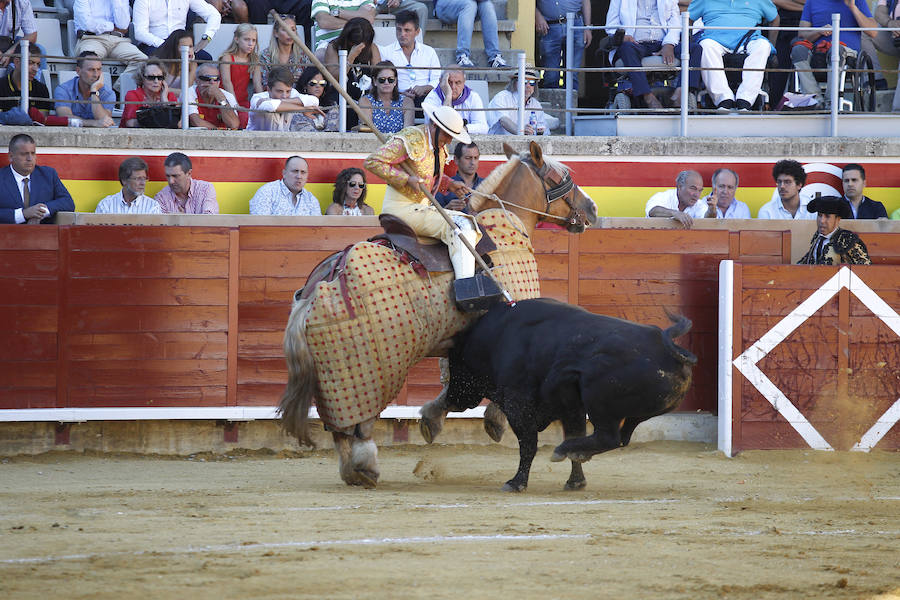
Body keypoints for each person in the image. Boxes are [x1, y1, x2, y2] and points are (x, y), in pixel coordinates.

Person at [364, 105, 481, 294]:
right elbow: (373, 161)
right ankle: (466, 292)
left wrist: (449, 183)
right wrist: (405, 179)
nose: (450, 140)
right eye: (447, 134)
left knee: (469, 223)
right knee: (463, 226)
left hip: (422, 207)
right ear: (434, 126)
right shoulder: (411, 138)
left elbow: (427, 176)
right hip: (401, 208)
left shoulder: (438, 146)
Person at [605, 0, 702, 108]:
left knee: (695, 49)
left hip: (661, 43)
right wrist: (623, 37)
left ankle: (680, 93)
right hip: (635, 43)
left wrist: (669, 44)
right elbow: (611, 26)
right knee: (626, 48)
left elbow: (675, 22)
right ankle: (647, 96)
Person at [689, 0, 779, 111]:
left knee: (763, 45)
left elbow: (774, 19)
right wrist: (689, 43)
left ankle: (745, 99)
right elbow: (688, 18)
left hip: (748, 41)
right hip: (715, 40)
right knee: (705, 45)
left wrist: (772, 46)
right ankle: (723, 99)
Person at [792, 0, 876, 108]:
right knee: (798, 50)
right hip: (818, 51)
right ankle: (814, 100)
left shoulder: (857, 1)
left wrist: (853, 7)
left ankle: (830, 102)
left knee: (836, 50)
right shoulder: (812, 2)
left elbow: (873, 32)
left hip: (846, 52)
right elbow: (802, 34)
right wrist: (818, 32)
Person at [0, 134, 74, 225]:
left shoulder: (48, 174)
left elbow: (68, 202)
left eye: (33, 153)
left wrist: (40, 212)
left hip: (43, 235)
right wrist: (23, 214)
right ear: (11, 156)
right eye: (24, 154)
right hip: (7, 236)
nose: (30, 159)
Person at [72, 0, 148, 90]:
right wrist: (113, 27)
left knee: (143, 61)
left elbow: (123, 25)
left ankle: (116, 93)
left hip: (118, 40)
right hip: (92, 39)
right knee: (89, 62)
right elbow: (87, 25)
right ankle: (93, 95)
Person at [378, 10, 441, 106]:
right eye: (399, 30)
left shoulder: (429, 52)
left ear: (417, 32)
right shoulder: (386, 52)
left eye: (407, 30)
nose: (402, 34)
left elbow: (437, 79)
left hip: (426, 98)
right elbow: (382, 80)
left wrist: (424, 88)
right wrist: (400, 93)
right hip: (396, 98)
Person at [132, 0, 220, 58]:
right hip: (154, 44)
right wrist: (169, 46)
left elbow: (213, 14)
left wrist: (207, 37)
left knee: (205, 58)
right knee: (160, 59)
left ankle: (192, 87)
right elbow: (140, 33)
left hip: (181, 44)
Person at [433, 0, 508, 68]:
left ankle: (494, 57)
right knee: (469, 4)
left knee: (487, 5)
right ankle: (462, 56)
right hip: (445, 6)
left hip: (471, 6)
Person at [797, 196, 871, 264]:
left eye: (827, 216)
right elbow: (806, 262)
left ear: (837, 219)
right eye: (819, 215)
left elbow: (865, 269)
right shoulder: (817, 237)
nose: (822, 221)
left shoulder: (846, 240)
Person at [487, 65, 559, 135]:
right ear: (515, 83)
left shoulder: (535, 104)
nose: (528, 86)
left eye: (532, 83)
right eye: (524, 81)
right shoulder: (502, 97)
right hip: (501, 143)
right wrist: (521, 131)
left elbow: (544, 130)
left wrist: (539, 131)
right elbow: (503, 120)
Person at [323, 17, 381, 103]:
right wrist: (351, 57)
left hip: (367, 98)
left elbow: (378, 75)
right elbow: (335, 79)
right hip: (341, 96)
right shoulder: (334, 47)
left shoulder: (372, 48)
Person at [536, 0, 592, 89]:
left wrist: (588, 27)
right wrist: (537, 15)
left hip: (576, 25)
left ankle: (570, 103)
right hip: (549, 26)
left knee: (572, 74)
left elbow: (585, 1)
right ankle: (552, 102)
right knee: (551, 75)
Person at [247, 65, 322, 131]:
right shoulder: (257, 98)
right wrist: (303, 109)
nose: (285, 95)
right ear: (269, 89)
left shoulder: (293, 93)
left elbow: (314, 100)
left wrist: (284, 101)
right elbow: (270, 106)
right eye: (279, 91)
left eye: (288, 91)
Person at [53, 52, 116, 128]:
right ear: (78, 71)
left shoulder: (107, 93)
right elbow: (65, 117)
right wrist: (93, 123)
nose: (96, 75)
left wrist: (94, 92)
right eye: (91, 70)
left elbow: (104, 121)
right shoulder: (63, 90)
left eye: (99, 69)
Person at [421, 68, 488, 134]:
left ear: (464, 83)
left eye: (458, 83)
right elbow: (439, 126)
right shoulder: (432, 98)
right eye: (449, 82)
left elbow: (483, 128)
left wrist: (463, 129)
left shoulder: (473, 97)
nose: (453, 87)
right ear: (441, 82)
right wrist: (448, 96)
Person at [249, 155, 322, 215]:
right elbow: (259, 227)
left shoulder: (311, 199)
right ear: (284, 173)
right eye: (295, 171)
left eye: (303, 172)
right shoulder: (267, 192)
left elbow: (317, 229)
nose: (299, 176)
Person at [120, 59, 178, 128]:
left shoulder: (169, 96)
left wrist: (164, 100)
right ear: (142, 79)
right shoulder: (133, 95)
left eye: (160, 77)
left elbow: (176, 122)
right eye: (151, 77)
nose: (156, 81)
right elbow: (130, 123)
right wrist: (158, 119)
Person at [154, 152, 219, 214]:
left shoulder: (205, 189)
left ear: (189, 173)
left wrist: (183, 219)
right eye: (168, 176)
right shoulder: (161, 197)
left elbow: (209, 221)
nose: (171, 181)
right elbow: (161, 225)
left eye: (175, 176)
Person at [645, 169, 714, 228]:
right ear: (680, 187)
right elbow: (652, 211)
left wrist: (711, 211)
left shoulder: (699, 204)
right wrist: (674, 213)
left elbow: (707, 222)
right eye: (693, 189)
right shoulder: (664, 196)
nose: (697, 195)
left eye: (700, 190)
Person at [359, 60, 413, 133]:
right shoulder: (365, 101)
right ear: (374, 81)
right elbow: (368, 131)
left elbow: (407, 132)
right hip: (372, 142)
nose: (386, 83)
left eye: (391, 80)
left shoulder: (407, 102)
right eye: (382, 80)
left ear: (395, 81)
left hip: (399, 143)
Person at [94, 157, 163, 214]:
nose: (143, 183)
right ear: (124, 180)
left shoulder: (152, 206)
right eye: (138, 179)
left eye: (144, 178)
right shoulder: (106, 205)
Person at [187, 61, 245, 129]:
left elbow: (234, 124)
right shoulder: (189, 93)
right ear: (196, 80)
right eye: (206, 78)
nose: (212, 82)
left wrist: (221, 99)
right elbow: (196, 122)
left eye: (216, 79)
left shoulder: (227, 95)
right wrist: (218, 131)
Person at [219, 23, 262, 109]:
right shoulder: (227, 58)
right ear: (237, 39)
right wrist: (235, 105)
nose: (251, 44)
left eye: (254, 40)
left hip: (243, 101)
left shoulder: (254, 59)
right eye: (246, 39)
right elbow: (227, 82)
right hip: (225, 100)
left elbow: (257, 83)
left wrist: (263, 101)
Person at [0, 44, 51, 115]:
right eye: (30, 63)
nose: (35, 69)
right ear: (16, 62)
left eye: (38, 64)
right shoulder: (1, 86)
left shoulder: (41, 89)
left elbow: (41, 122)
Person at [260, 14, 306, 88]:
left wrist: (303, 78)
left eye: (293, 30)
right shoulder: (265, 56)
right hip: (273, 97)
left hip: (298, 97)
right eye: (285, 29)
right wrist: (290, 78)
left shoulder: (303, 55)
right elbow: (264, 84)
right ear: (276, 33)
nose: (290, 33)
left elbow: (310, 80)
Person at [435, 141, 483, 210]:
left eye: (476, 158)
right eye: (468, 158)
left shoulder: (487, 185)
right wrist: (448, 209)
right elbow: (434, 217)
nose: (473, 163)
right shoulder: (445, 187)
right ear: (456, 160)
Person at [311, 0, 375, 50]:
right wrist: (358, 18)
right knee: (321, 55)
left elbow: (369, 18)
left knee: (374, 51)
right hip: (327, 44)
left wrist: (338, 13)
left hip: (360, 43)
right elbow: (324, 21)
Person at [290, 66, 339, 131]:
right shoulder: (296, 104)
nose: (318, 86)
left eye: (322, 83)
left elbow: (333, 129)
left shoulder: (332, 105)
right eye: (313, 83)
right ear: (305, 85)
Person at [153, 29, 197, 98]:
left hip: (181, 102)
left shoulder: (192, 65)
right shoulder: (161, 64)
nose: (188, 51)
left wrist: (185, 65)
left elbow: (186, 90)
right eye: (183, 47)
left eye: (190, 46)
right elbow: (157, 89)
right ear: (174, 48)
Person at [0, 0, 37, 69]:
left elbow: (32, 35)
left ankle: (34, 79)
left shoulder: (22, 2)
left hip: (9, 42)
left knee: (38, 50)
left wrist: (10, 52)